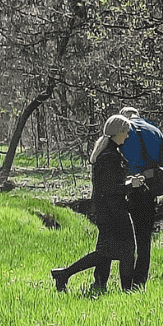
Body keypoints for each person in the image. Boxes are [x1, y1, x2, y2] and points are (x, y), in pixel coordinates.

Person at [50, 115, 146, 293]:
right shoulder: (109, 156)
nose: (127, 136)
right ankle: (127, 291)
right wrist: (130, 185)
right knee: (124, 252)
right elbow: (109, 188)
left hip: (107, 210)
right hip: (114, 212)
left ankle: (78, 278)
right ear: (118, 132)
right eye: (125, 132)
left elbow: (109, 183)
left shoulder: (108, 152)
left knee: (106, 253)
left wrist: (128, 181)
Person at [117, 105, 163, 288]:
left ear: (123, 117)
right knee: (144, 239)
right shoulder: (156, 131)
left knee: (125, 237)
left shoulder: (123, 131)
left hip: (128, 189)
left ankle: (125, 281)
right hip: (149, 190)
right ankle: (139, 283)